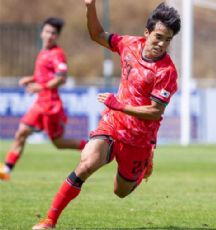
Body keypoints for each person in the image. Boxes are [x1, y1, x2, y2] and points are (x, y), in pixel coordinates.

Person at [32, 1, 180, 229]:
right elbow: (97, 34)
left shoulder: (166, 72)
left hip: (139, 139)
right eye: (159, 36)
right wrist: (90, 6)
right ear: (147, 32)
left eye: (168, 39)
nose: (162, 44)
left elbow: (154, 111)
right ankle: (49, 221)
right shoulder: (128, 45)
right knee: (86, 164)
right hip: (112, 125)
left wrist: (120, 105)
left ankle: (144, 164)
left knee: (120, 192)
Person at [0, 17, 87, 181]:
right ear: (41, 33)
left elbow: (61, 78)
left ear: (57, 36)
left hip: (51, 105)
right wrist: (31, 79)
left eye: (53, 33)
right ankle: (6, 170)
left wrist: (40, 87)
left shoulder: (57, 54)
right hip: (40, 103)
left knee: (58, 143)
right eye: (47, 31)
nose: (49, 35)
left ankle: (89, 146)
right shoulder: (43, 52)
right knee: (21, 132)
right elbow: (44, 76)